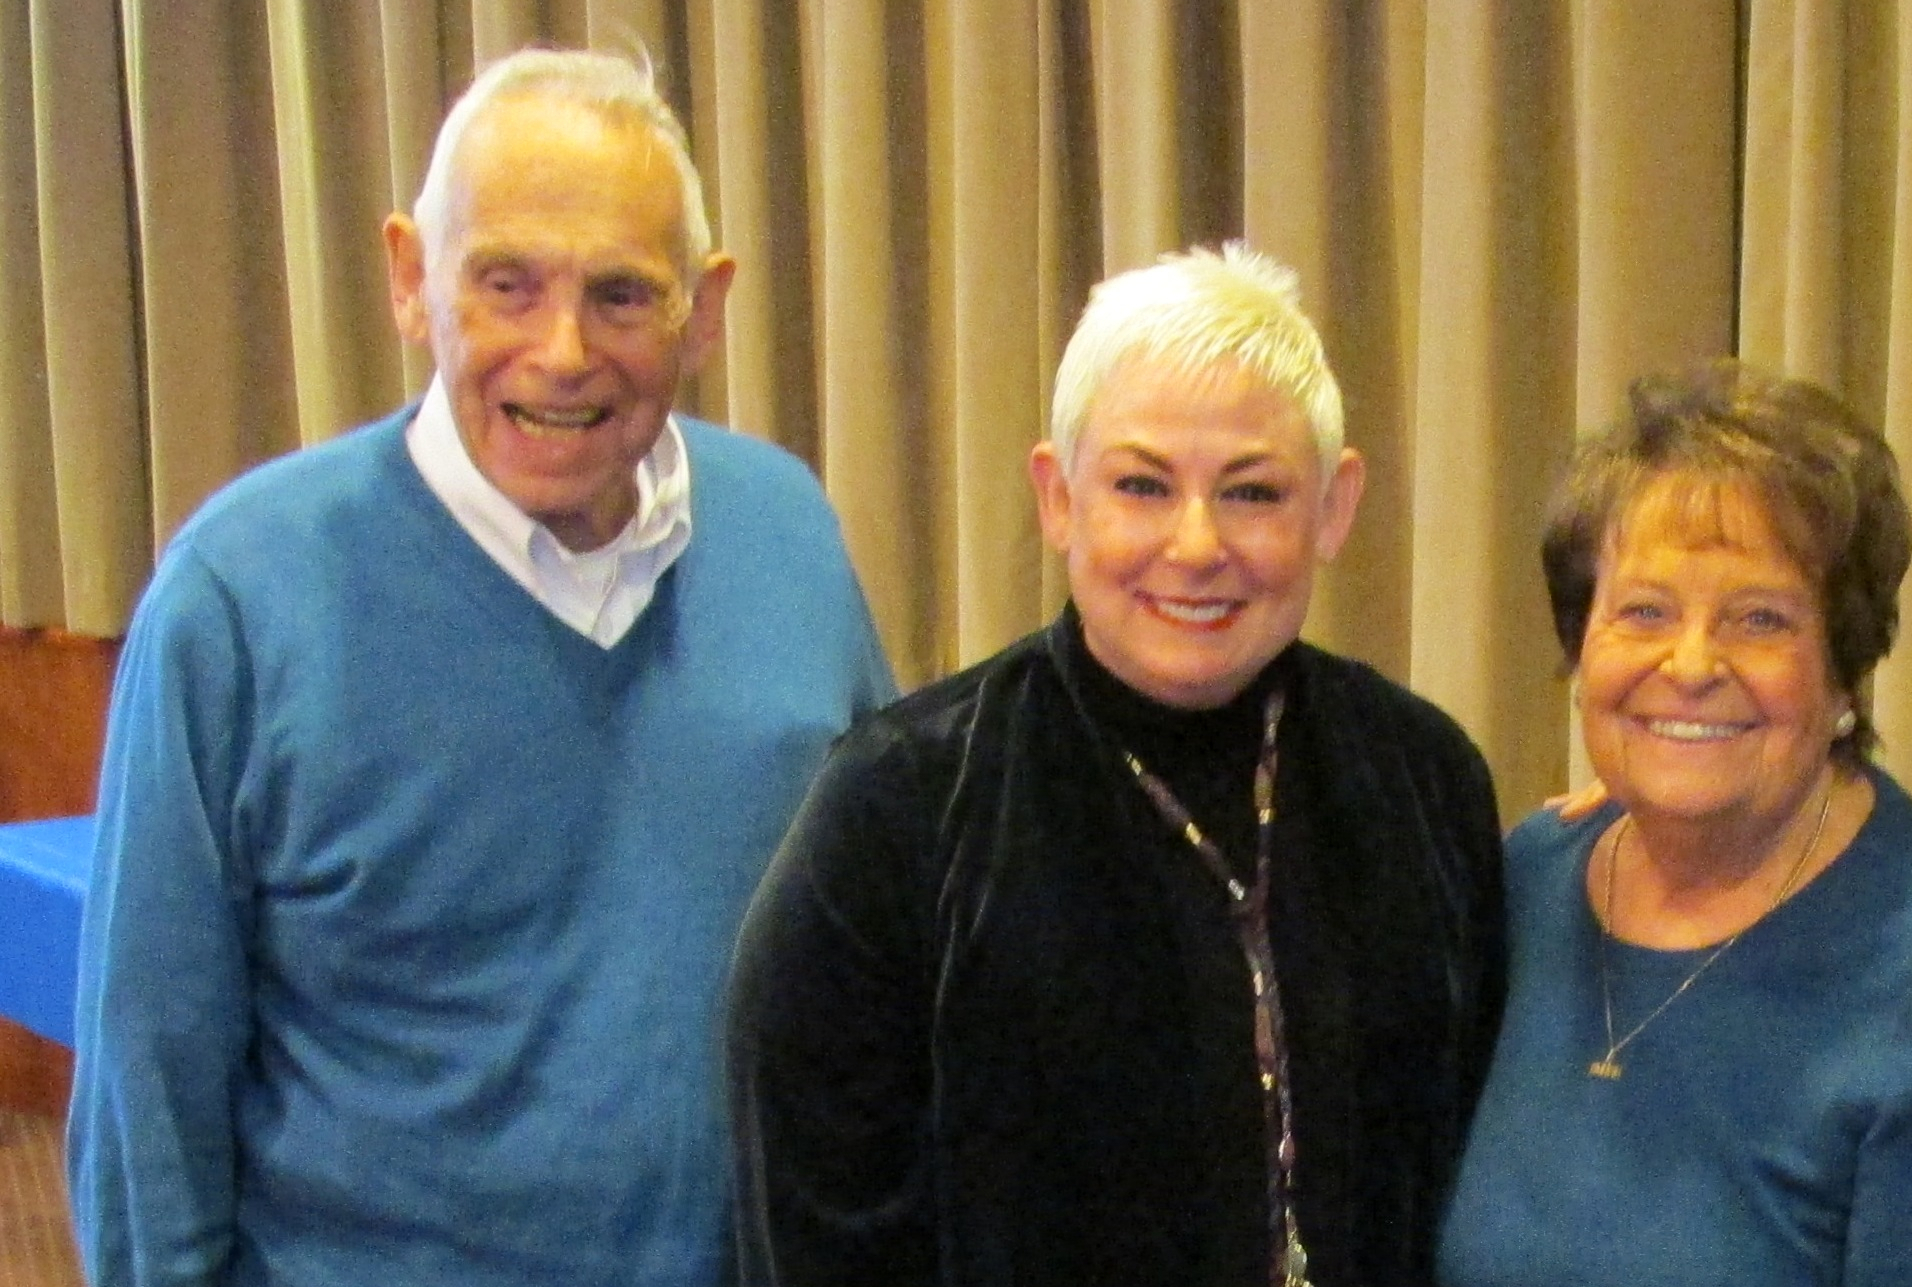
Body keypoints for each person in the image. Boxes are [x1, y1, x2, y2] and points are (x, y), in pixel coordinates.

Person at [68, 48, 896, 1287]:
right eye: (507, 285)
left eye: (621, 295)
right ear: (411, 281)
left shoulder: (788, 534)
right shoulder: (237, 600)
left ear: (705, 308)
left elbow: (876, 947)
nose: (562, 351)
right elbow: (149, 1076)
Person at [726, 243, 1507, 1287]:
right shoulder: (900, 808)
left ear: (1334, 507)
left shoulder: (1422, 779)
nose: (1195, 546)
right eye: (1141, 486)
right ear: (1058, 498)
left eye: (1253, 493)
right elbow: (816, 1233)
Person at [1436, 362, 1912, 1286]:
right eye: (1644, 611)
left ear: (1845, 670)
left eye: (1759, 619)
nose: (1691, 664)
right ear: (1581, 646)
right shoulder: (1530, 881)